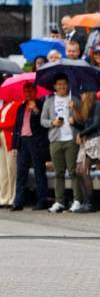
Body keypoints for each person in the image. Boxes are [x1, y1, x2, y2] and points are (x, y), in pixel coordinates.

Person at [41, 73, 84, 213]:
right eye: (59, 84)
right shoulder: (49, 101)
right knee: (58, 173)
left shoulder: (75, 100)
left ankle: (77, 200)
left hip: (71, 139)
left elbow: (83, 120)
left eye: (64, 84)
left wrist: (75, 111)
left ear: (68, 85)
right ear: (54, 86)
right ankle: (59, 201)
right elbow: (43, 121)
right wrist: (52, 123)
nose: (62, 87)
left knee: (73, 172)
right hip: (55, 140)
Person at [12, 82, 48, 211]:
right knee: (21, 173)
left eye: (31, 91)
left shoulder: (41, 105)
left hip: (36, 141)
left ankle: (42, 201)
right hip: (23, 141)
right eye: (26, 91)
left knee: (39, 171)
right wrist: (15, 146)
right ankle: (18, 202)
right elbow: (17, 127)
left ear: (36, 92)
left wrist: (36, 110)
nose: (28, 93)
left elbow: (44, 124)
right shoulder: (21, 107)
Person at [71, 90, 100, 212]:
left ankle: (90, 203)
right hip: (87, 140)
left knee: (84, 169)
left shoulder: (97, 104)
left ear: (88, 94)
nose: (81, 96)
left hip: (96, 139)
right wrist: (75, 118)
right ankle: (86, 200)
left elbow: (96, 124)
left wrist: (81, 134)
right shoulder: (86, 107)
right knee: (78, 171)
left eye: (82, 94)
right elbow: (84, 126)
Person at [0, 97, 18, 209]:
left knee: (12, 169)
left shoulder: (18, 104)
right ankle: (4, 197)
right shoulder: (5, 105)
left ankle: (13, 197)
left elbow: (14, 122)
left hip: (10, 137)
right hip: (2, 137)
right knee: (3, 169)